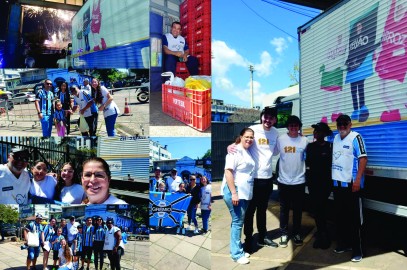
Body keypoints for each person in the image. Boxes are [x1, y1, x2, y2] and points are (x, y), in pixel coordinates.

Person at [227, 107, 279, 252]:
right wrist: (232, 145)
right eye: (266, 117)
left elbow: (275, 151)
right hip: (253, 179)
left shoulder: (275, 133)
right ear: (262, 117)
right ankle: (248, 239)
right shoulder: (253, 129)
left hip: (267, 178)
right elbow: (242, 140)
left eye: (271, 118)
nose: (268, 120)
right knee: (249, 211)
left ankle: (263, 237)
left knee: (263, 210)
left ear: (275, 120)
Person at [332, 114, 367, 262]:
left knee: (354, 220)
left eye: (344, 124)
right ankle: (344, 244)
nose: (342, 126)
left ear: (350, 124)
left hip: (351, 186)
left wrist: (357, 180)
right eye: (339, 124)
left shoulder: (356, 137)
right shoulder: (335, 138)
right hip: (337, 186)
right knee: (341, 218)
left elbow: (363, 158)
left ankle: (357, 250)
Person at [221, 127, 255, 265]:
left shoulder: (247, 151)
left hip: (245, 193)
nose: (249, 139)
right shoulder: (234, 151)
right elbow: (228, 172)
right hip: (235, 193)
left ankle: (238, 249)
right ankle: (236, 254)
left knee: (237, 222)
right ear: (240, 136)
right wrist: (234, 193)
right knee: (237, 223)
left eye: (251, 137)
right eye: (247, 136)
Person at [274, 115, 308, 248]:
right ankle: (283, 233)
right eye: (291, 125)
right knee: (284, 210)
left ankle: (297, 233)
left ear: (299, 127)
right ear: (287, 127)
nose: (293, 127)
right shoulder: (281, 139)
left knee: (298, 210)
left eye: (296, 125)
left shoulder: (305, 140)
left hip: (299, 181)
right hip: (284, 181)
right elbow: (269, 150)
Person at [306, 122, 333, 249]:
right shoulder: (310, 147)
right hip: (313, 184)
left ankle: (324, 235)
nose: (316, 133)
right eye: (315, 131)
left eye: (319, 131)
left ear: (324, 133)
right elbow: (307, 164)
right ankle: (321, 232)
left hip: (326, 184)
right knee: (316, 209)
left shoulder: (330, 147)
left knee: (322, 208)